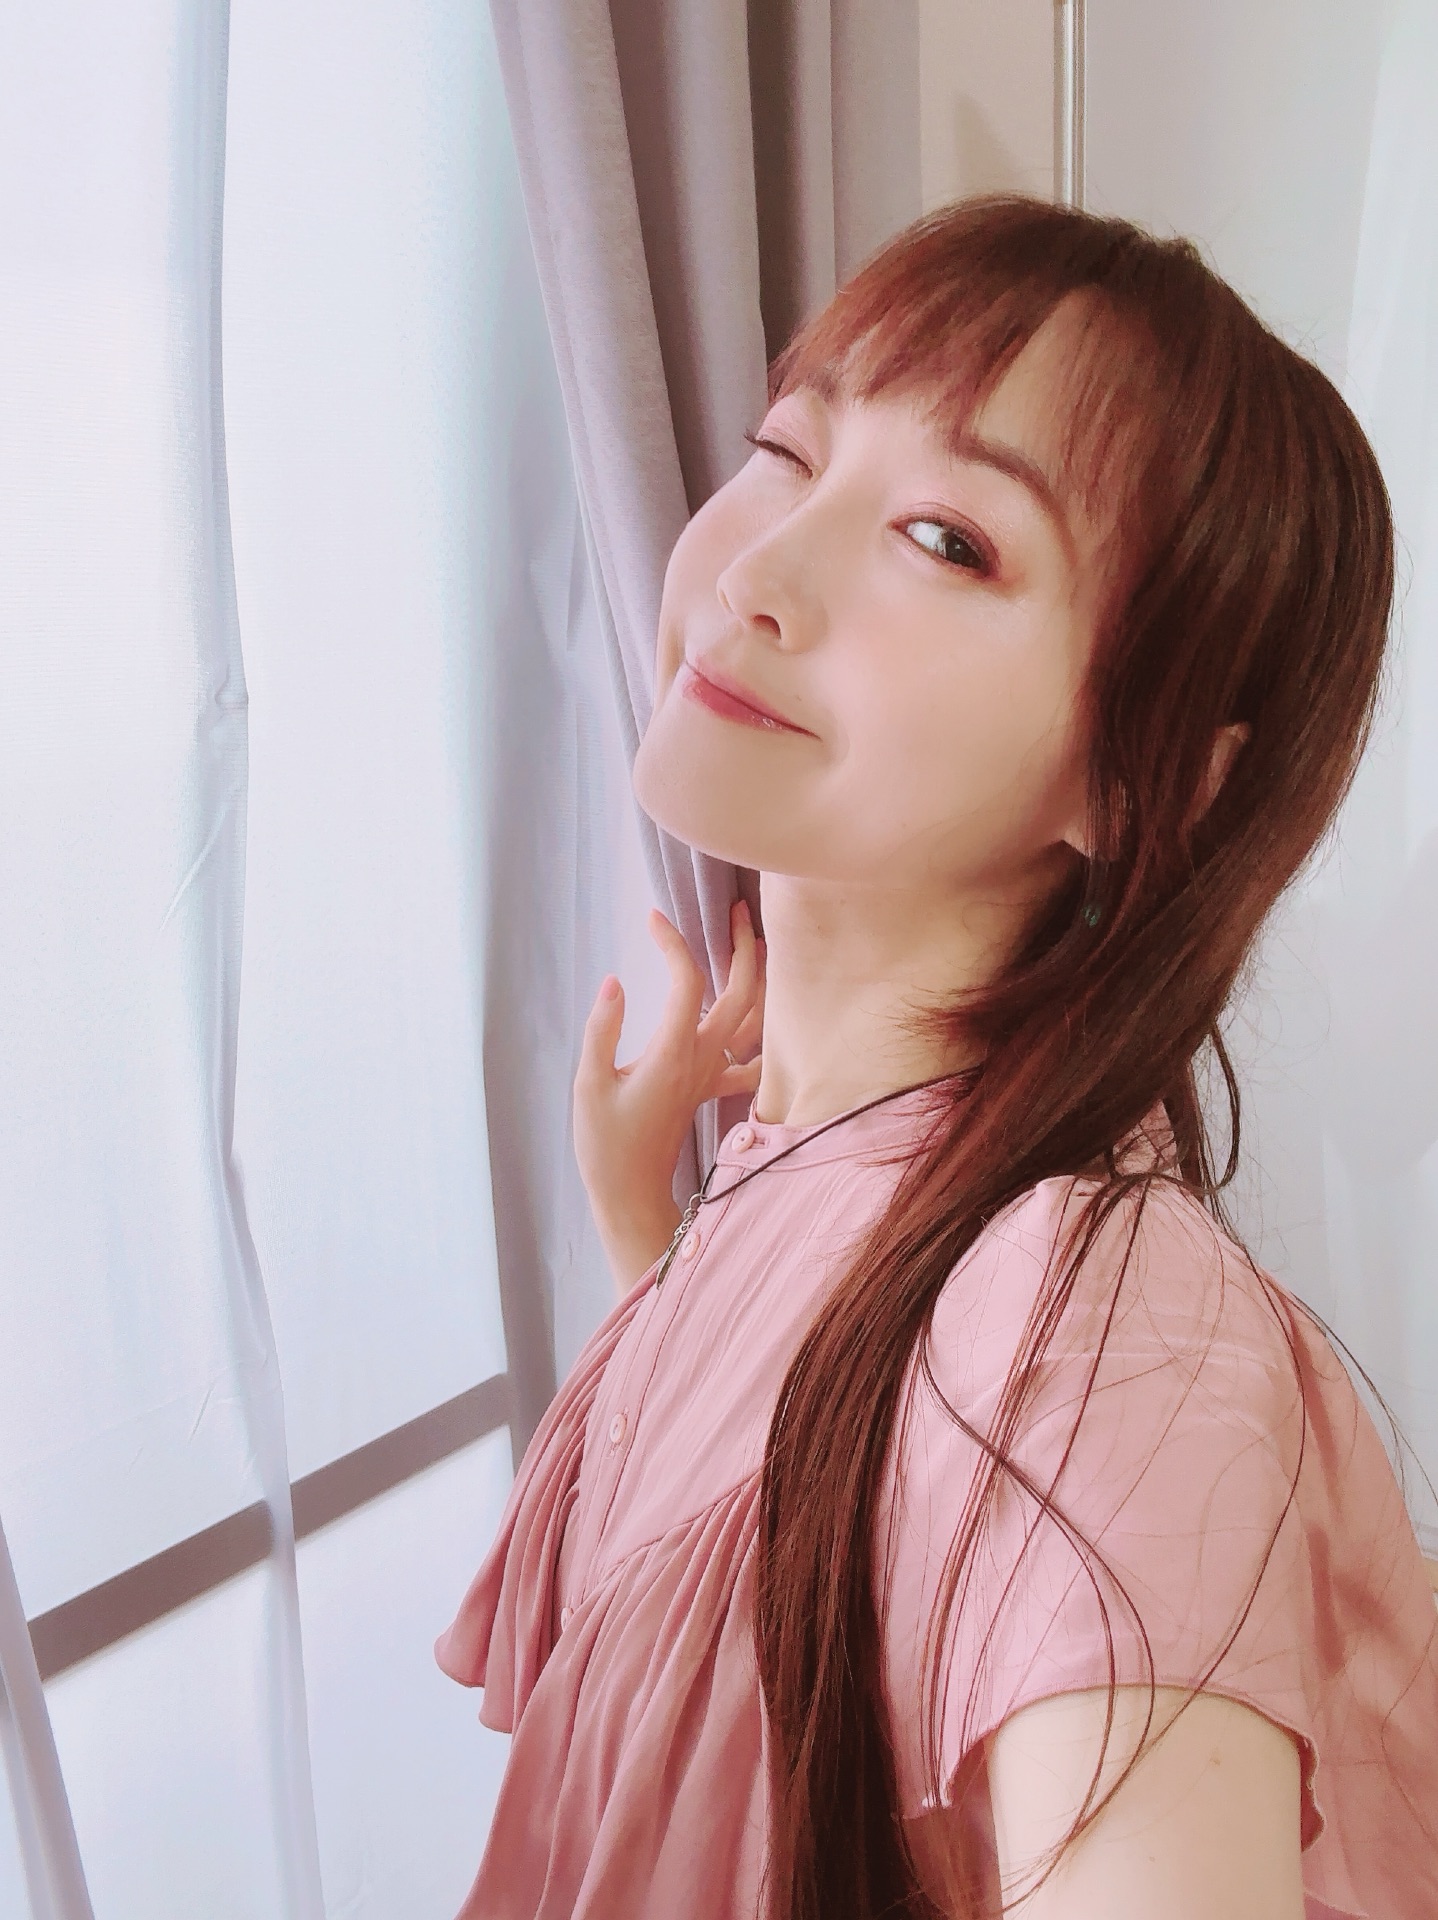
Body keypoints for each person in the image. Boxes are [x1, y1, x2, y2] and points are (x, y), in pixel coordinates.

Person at [435, 195, 1438, 1918]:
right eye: (784, 450)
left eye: (948, 541)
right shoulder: (824, 1178)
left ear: (1140, 775)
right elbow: (788, 1515)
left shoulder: (1106, 1341)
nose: (749, 572)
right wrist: (651, 1234)